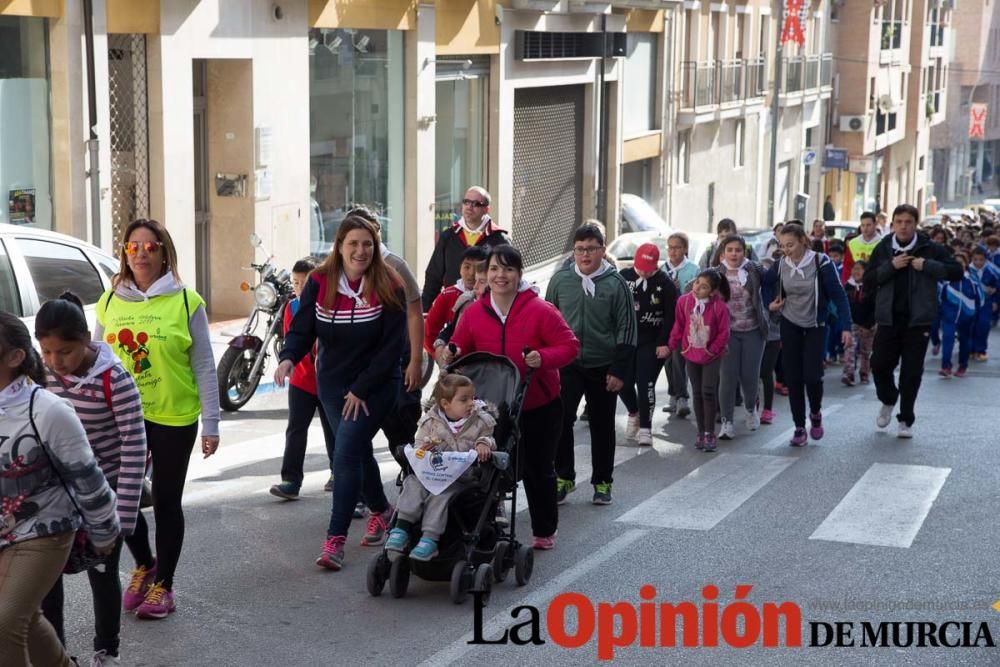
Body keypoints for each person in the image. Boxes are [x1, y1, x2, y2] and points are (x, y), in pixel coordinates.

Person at [95, 219, 220, 620]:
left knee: (166, 500)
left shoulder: (186, 302)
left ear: (164, 252)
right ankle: (145, 563)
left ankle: (164, 585)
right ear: (124, 254)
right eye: (134, 247)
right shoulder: (110, 300)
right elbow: (98, 361)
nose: (142, 254)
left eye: (150, 247)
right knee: (119, 499)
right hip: (121, 416)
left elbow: (204, 364)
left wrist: (212, 424)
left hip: (173, 415)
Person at [275, 215, 407, 571]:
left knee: (346, 453)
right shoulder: (320, 281)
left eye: (367, 244)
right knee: (357, 449)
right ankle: (382, 510)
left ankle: (335, 540)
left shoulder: (389, 284)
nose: (360, 251)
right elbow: (303, 328)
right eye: (353, 244)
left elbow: (392, 348)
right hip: (332, 383)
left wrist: (362, 388)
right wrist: (288, 358)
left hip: (376, 385)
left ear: (375, 247)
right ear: (340, 246)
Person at [0, 313, 119, 667]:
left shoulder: (48, 410)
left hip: (45, 530)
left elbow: (88, 480)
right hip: (4, 530)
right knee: (26, 618)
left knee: (4, 624)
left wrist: (104, 533)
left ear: (15, 357)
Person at [34, 293, 146, 666]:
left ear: (85, 339)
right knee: (48, 579)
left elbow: (133, 449)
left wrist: (123, 520)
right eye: (46, 352)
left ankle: (107, 650)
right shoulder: (40, 373)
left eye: (63, 352)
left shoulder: (116, 380)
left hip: (104, 493)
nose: (54, 362)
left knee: (102, 572)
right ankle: (58, 654)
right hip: (56, 496)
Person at [445, 245, 579, 549]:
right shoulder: (475, 312)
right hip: (489, 407)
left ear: (519, 275)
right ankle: (486, 526)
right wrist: (450, 351)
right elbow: (459, 347)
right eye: (494, 269)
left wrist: (542, 357)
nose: (500, 275)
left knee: (537, 468)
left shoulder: (540, 310)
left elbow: (570, 346)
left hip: (538, 404)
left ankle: (544, 531)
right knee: (488, 468)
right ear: (486, 273)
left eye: (507, 269)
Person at [546, 223, 637, 506]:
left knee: (602, 425)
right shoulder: (561, 280)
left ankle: (602, 482)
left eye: (592, 249)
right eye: (580, 249)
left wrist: (619, 370)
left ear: (602, 250)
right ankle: (564, 476)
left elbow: (627, 328)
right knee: (561, 420)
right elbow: (548, 319)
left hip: (604, 365)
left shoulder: (616, 283)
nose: (585, 255)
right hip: (567, 363)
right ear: (574, 251)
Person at [864, 204, 962, 438]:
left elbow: (956, 271)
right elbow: (868, 279)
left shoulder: (929, 248)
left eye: (908, 222)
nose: (903, 226)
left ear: (915, 224)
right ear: (892, 224)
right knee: (879, 365)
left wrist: (927, 266)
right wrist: (891, 266)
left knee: (911, 372)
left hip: (918, 321)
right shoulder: (885, 247)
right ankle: (888, 399)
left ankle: (905, 419)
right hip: (888, 320)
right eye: (899, 222)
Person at [384, 374, 495, 561]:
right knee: (412, 483)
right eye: (464, 399)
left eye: (472, 398)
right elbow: (418, 445)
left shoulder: (481, 420)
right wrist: (423, 448)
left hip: (459, 476)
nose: (471, 403)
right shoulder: (430, 421)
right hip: (430, 472)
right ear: (446, 404)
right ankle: (401, 527)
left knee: (440, 495)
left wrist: (484, 443)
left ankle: (430, 538)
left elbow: (489, 437)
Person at [766, 222, 852, 447]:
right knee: (793, 377)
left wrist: (846, 327)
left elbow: (839, 295)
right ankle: (798, 427)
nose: (787, 250)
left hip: (816, 324)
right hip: (790, 323)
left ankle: (815, 413)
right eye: (783, 246)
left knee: (812, 376)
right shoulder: (780, 265)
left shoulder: (821, 262)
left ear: (803, 241)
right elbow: (765, 284)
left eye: (791, 245)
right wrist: (770, 303)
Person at [269, 257, 336, 500]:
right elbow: (292, 338)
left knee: (333, 430)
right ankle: (291, 479)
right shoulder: (291, 307)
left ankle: (337, 473)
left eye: (304, 282)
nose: (299, 287)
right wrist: (288, 361)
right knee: (296, 429)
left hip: (327, 381)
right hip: (302, 380)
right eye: (295, 282)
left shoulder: (329, 304)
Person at [619, 243, 678, 446]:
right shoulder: (623, 277)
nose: (644, 271)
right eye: (640, 266)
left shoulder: (666, 284)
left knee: (645, 383)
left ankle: (645, 426)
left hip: (652, 342)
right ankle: (633, 411)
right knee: (622, 382)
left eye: (648, 268)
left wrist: (664, 343)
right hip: (626, 340)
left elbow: (671, 317)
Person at [711, 235, 768, 439]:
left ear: (744, 252)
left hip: (753, 330)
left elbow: (773, 280)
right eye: (730, 250)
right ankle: (727, 422)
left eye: (738, 250)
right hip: (728, 333)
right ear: (723, 252)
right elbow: (695, 287)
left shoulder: (753, 269)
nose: (734, 254)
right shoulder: (715, 273)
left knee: (750, 376)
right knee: (727, 377)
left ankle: (751, 409)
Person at [667, 269, 731, 452]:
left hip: (711, 356)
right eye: (697, 283)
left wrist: (712, 350)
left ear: (712, 292)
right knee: (696, 392)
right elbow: (679, 325)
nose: (697, 288)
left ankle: (710, 432)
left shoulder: (720, 307)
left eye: (704, 287)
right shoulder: (684, 301)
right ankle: (701, 432)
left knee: (708, 391)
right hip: (690, 352)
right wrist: (671, 345)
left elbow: (724, 333)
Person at [421, 186, 510, 312]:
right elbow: (433, 276)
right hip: (453, 309)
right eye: (466, 202)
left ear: (486, 209)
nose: (469, 207)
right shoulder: (449, 236)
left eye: (476, 204)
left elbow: (510, 277)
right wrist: (424, 309)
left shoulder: (500, 239)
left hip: (489, 309)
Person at [424, 246, 489, 355]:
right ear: (460, 268)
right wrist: (440, 357)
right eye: (467, 267)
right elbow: (430, 331)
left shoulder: (495, 296)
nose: (471, 273)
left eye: (477, 268)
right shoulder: (448, 295)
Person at [662, 232, 699, 417]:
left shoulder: (693, 269)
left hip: (684, 322)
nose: (673, 251)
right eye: (670, 247)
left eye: (677, 247)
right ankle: (673, 394)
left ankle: (682, 396)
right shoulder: (662, 269)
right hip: (665, 321)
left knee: (678, 359)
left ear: (685, 249)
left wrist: (680, 290)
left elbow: (698, 295)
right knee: (667, 361)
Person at [937, 253, 978, 378]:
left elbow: (979, 298)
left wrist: (974, 313)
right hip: (949, 317)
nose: (959, 265)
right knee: (948, 339)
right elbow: (940, 299)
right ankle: (946, 366)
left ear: (966, 264)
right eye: (956, 263)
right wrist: (942, 312)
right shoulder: (946, 282)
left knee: (965, 341)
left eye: (962, 262)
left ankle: (962, 365)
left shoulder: (971, 281)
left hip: (966, 317)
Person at [841, 261, 877, 386]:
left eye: (860, 269)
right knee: (850, 348)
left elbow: (876, 308)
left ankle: (864, 373)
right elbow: (843, 306)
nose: (856, 272)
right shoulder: (847, 287)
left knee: (866, 351)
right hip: (852, 323)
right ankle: (849, 374)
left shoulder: (871, 287)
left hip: (868, 325)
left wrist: (868, 325)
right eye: (854, 269)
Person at [758, 251, 783, 425]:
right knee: (753, 374)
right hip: (756, 335)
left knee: (766, 372)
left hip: (774, 336)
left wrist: (772, 309)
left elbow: (783, 312)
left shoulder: (780, 289)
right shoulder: (755, 289)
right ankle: (754, 404)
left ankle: (767, 409)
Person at [968, 246, 1000, 361]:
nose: (978, 262)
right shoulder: (967, 270)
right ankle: (970, 349)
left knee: (983, 326)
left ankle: (980, 350)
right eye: (975, 259)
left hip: (986, 302)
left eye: (981, 260)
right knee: (971, 326)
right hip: (970, 303)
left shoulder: (991, 271)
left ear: (985, 259)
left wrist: (995, 298)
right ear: (971, 259)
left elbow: (997, 285)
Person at [841, 212, 882, 282]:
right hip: (855, 285)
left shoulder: (882, 243)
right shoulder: (853, 243)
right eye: (863, 225)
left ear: (875, 225)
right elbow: (847, 267)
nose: (865, 228)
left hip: (875, 283)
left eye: (868, 225)